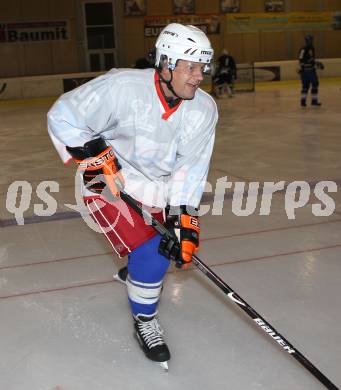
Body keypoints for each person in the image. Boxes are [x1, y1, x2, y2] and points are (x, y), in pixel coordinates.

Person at [47, 23, 218, 370]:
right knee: (153, 251)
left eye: (203, 67)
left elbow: (190, 169)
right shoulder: (122, 87)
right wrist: (94, 154)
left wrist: (184, 220)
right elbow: (63, 116)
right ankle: (145, 320)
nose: (199, 76)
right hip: (106, 180)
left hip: (156, 185)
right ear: (166, 64)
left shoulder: (204, 109)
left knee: (171, 241)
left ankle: (137, 272)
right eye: (191, 66)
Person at [298, 34, 324, 107]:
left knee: (314, 84)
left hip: (311, 70)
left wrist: (316, 63)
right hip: (307, 71)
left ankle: (313, 101)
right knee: (306, 86)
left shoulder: (312, 48)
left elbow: (311, 59)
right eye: (309, 40)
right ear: (306, 41)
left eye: (311, 40)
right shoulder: (303, 49)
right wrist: (302, 68)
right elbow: (301, 59)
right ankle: (303, 102)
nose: (310, 41)